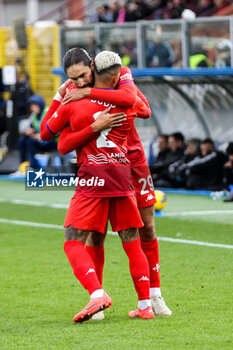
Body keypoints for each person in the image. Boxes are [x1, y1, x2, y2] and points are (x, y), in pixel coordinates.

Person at [41, 47, 172, 319]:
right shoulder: (99, 94)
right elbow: (143, 109)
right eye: (73, 79)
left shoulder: (118, 76)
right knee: (103, 235)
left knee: (145, 228)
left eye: (82, 76)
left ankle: (153, 297)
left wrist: (85, 97)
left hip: (129, 163)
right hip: (120, 168)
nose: (78, 83)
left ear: (93, 65)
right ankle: (123, 302)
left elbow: (52, 136)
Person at [17, 94, 57, 170]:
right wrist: (28, 132)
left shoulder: (48, 112)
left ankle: (34, 167)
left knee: (30, 142)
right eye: (31, 106)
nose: (33, 108)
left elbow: (56, 129)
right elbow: (31, 128)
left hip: (52, 142)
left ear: (40, 105)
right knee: (21, 141)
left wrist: (42, 135)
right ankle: (22, 166)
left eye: (35, 105)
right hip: (40, 141)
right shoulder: (34, 116)